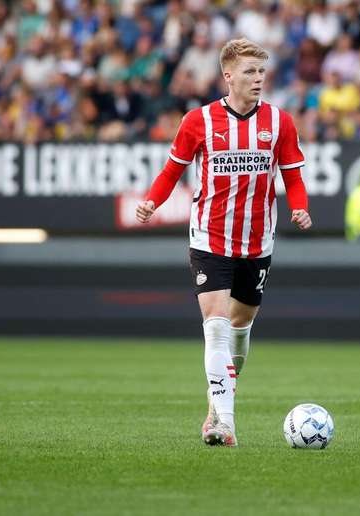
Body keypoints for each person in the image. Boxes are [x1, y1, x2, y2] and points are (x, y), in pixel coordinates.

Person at [135, 38, 312, 447]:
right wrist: (151, 202)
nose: (258, 79)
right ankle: (224, 422)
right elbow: (171, 171)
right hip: (210, 237)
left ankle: (218, 404)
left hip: (256, 241)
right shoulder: (198, 121)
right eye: (249, 72)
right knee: (214, 326)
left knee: (239, 329)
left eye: (262, 72)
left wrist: (299, 207)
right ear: (227, 75)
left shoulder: (280, 122)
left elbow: (293, 176)